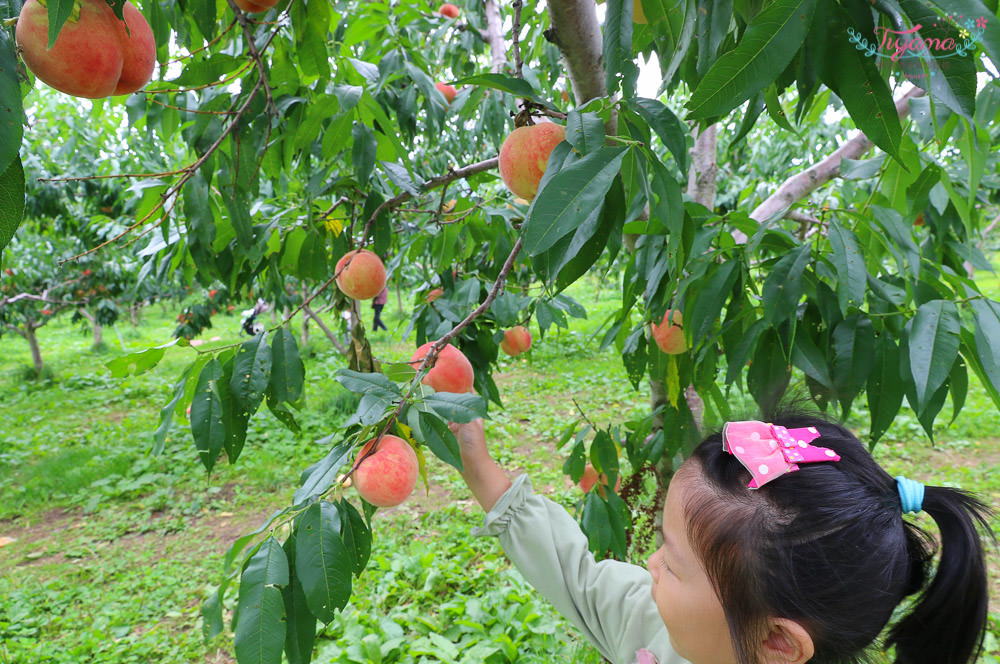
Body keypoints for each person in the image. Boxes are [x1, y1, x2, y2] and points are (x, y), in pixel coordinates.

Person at [448, 412, 993, 664]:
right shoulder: (651, 627)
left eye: (673, 563)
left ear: (778, 643)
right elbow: (579, 578)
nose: (649, 564)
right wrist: (476, 462)